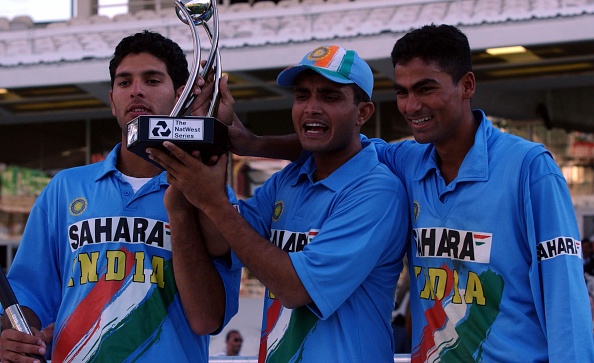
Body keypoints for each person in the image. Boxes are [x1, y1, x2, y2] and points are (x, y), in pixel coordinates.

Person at [200, 25, 594, 362]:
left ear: (467, 85)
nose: (411, 106)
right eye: (403, 92)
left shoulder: (529, 168)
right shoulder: (408, 161)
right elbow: (336, 143)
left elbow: (565, 297)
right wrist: (250, 143)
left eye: (426, 89)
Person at [147, 45, 410, 362]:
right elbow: (221, 242)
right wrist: (208, 140)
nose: (311, 107)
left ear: (363, 113)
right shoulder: (289, 180)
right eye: (302, 96)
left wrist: (213, 201)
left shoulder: (377, 191)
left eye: (329, 96)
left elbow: (295, 289)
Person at [0, 30, 242, 362]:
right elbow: (30, 295)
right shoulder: (65, 188)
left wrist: (185, 201)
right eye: (124, 82)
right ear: (113, 100)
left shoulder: (211, 195)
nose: (137, 90)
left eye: (152, 80)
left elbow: (207, 319)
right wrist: (15, 336)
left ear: (180, 97)